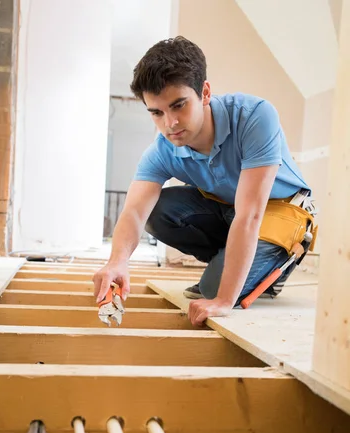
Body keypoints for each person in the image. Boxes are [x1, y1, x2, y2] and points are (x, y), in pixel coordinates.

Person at [93, 36, 315, 326]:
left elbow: (250, 215)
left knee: (214, 291)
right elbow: (134, 211)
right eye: (157, 113)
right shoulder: (162, 150)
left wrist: (224, 300)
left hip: (281, 212)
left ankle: (272, 269)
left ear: (205, 92)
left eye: (179, 105)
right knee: (157, 211)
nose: (169, 123)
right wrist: (117, 262)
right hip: (229, 211)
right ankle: (233, 262)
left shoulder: (254, 117)